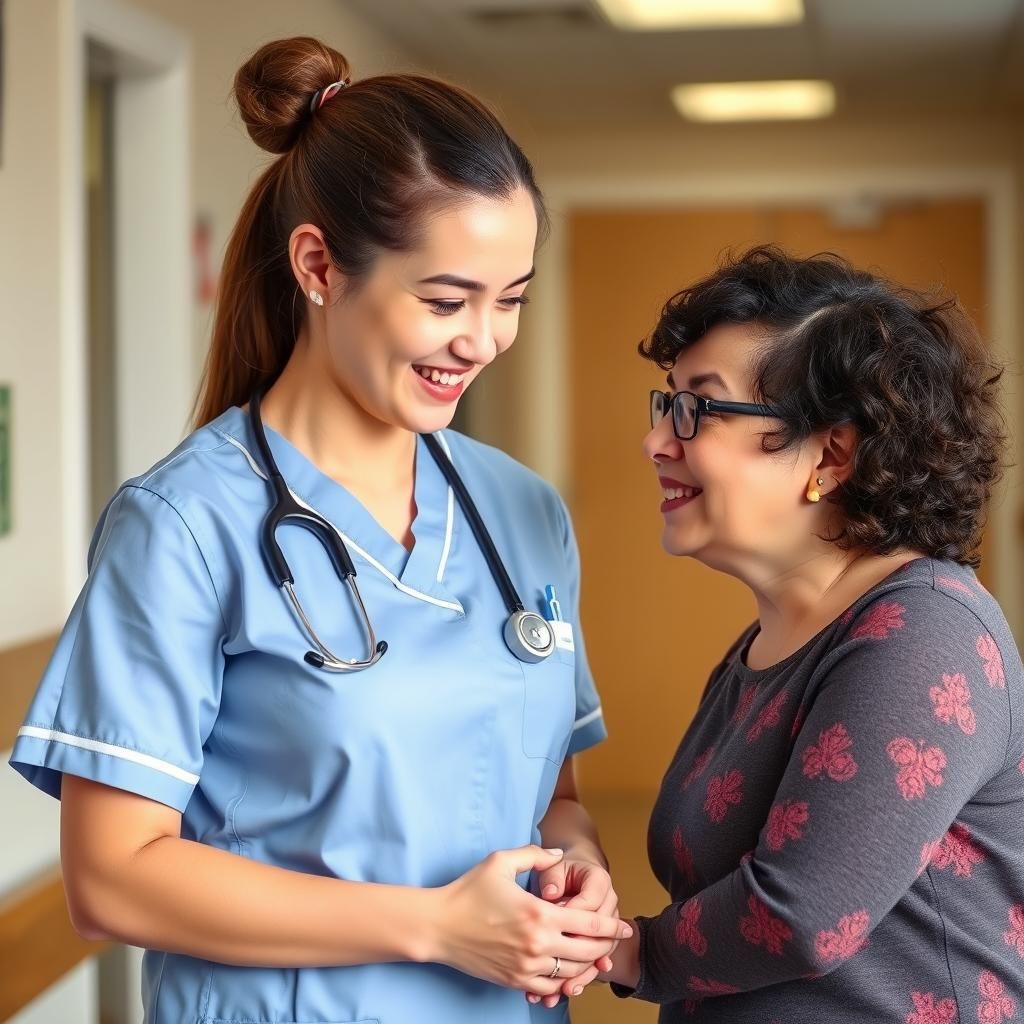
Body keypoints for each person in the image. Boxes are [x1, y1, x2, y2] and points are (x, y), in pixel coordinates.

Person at [9, 36, 630, 1023]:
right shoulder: (184, 525)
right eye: (443, 300)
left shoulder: (523, 512)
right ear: (317, 266)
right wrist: (430, 923)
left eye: (509, 299)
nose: (483, 340)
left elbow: (550, 797)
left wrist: (580, 873)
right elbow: (112, 879)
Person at [602, 246, 1024, 1022]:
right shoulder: (763, 648)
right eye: (665, 405)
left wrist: (622, 949)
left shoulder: (926, 631)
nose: (657, 442)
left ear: (830, 453)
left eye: (699, 407)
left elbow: (801, 915)